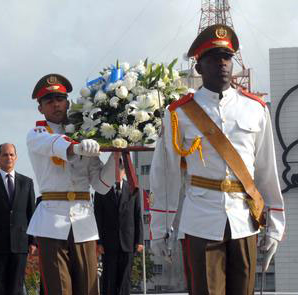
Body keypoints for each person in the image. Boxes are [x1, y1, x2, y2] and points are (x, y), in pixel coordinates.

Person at [149, 24, 285, 294]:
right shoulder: (180, 113)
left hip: (244, 219)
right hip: (200, 219)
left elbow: (267, 170)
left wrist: (275, 226)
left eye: (226, 57)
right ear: (198, 68)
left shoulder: (255, 109)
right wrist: (160, 228)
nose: (222, 64)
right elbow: (166, 175)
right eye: (212, 58)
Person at [26, 74, 117, 295]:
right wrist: (77, 147)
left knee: (89, 288)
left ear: (68, 102)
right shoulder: (37, 134)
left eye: (60, 98)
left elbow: (100, 184)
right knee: (59, 289)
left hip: (84, 221)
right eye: (49, 101)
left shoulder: (85, 132)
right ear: (40, 108)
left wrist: (118, 153)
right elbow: (55, 145)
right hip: (53, 222)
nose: (56, 104)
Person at [0, 143, 36, 295]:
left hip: (20, 244)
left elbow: (32, 213)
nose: (8, 157)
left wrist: (32, 241)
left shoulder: (27, 182)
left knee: (16, 287)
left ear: (15, 157)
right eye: (5, 154)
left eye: (11, 154)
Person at [94, 160, 143, 295]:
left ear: (123, 172)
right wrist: (98, 242)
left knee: (125, 279)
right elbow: (98, 218)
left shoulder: (133, 189)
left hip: (128, 243)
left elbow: (138, 215)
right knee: (109, 279)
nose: (116, 175)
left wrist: (139, 240)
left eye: (118, 171)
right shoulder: (101, 190)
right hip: (108, 245)